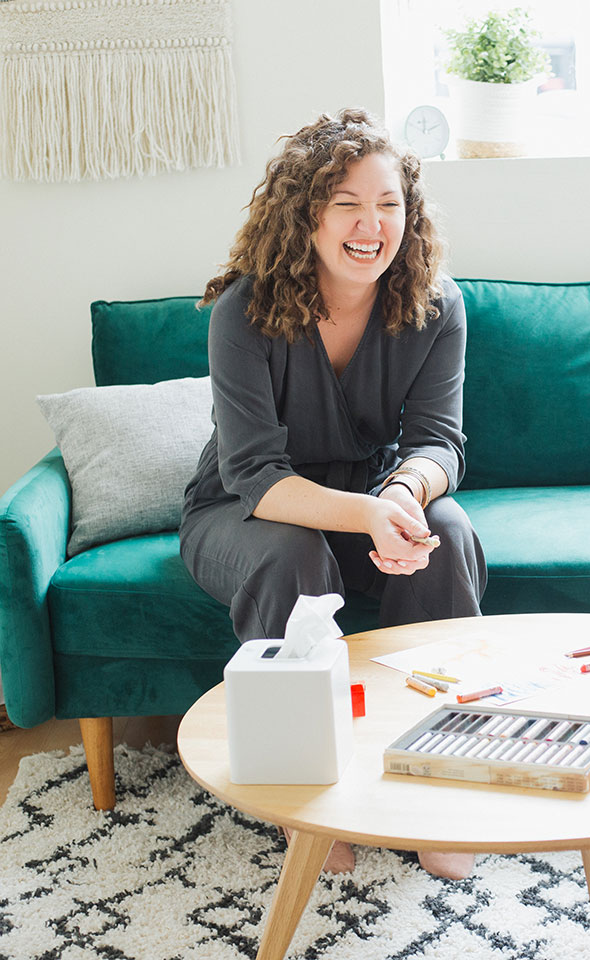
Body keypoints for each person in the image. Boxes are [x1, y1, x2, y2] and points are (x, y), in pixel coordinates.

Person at [181, 108, 485, 880]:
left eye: (388, 204)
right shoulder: (243, 314)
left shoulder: (436, 304)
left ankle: (439, 785)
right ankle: (308, 796)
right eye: (346, 202)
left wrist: (408, 497)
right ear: (306, 214)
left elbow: (438, 444)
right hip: (243, 511)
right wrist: (371, 514)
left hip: (368, 498)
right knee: (291, 549)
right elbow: (253, 474)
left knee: (445, 529)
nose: (369, 224)